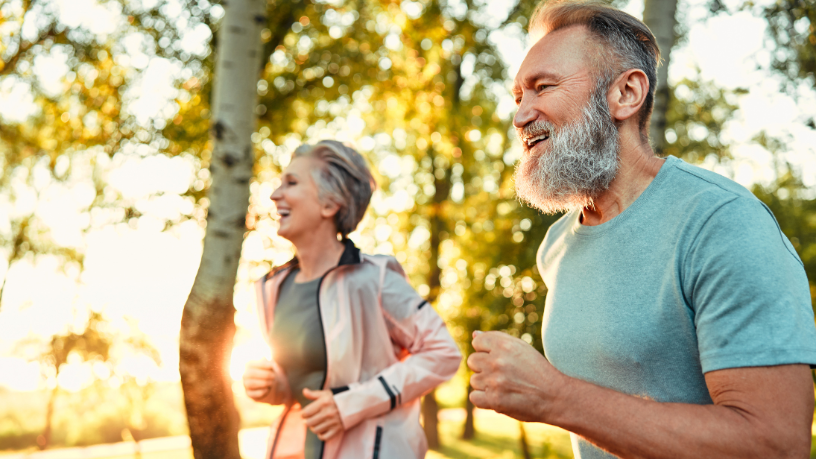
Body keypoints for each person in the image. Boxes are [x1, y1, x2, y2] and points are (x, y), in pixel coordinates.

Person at [466, 1, 816, 458]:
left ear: (626, 94)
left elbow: (776, 443)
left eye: (543, 88)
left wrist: (556, 398)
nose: (520, 116)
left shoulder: (721, 222)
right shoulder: (557, 246)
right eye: (518, 97)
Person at [243, 140, 461, 459]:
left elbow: (443, 353)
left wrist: (351, 404)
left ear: (330, 205)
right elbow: (304, 383)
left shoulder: (376, 278)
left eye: (291, 183)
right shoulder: (272, 288)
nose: (275, 195)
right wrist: (270, 385)